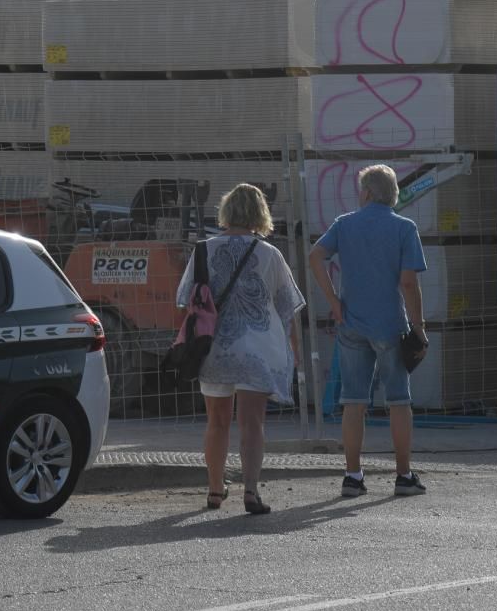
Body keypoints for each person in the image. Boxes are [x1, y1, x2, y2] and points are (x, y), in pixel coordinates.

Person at [176, 183, 305, 514]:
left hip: (215, 348)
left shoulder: (203, 249)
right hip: (258, 350)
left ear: (226, 212)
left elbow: (184, 299)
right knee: (252, 423)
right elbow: (287, 308)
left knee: (216, 422)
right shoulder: (270, 255)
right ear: (260, 214)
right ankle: (250, 491)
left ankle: (215, 491)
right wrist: (295, 352)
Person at [309, 165, 429, 497]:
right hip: (391, 324)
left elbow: (315, 256)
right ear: (393, 194)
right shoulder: (405, 228)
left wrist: (334, 302)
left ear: (365, 193)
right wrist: (418, 327)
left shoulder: (344, 224)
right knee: (399, 402)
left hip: (351, 323)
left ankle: (353, 476)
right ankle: (404, 476)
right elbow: (408, 282)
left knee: (354, 402)